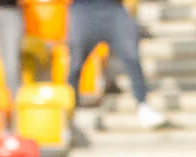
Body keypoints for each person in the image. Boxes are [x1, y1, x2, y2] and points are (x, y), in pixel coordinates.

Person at [68, 0, 168, 129]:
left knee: (132, 56)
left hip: (113, 8)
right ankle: (70, 113)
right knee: (75, 65)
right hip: (83, 9)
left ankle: (143, 106)